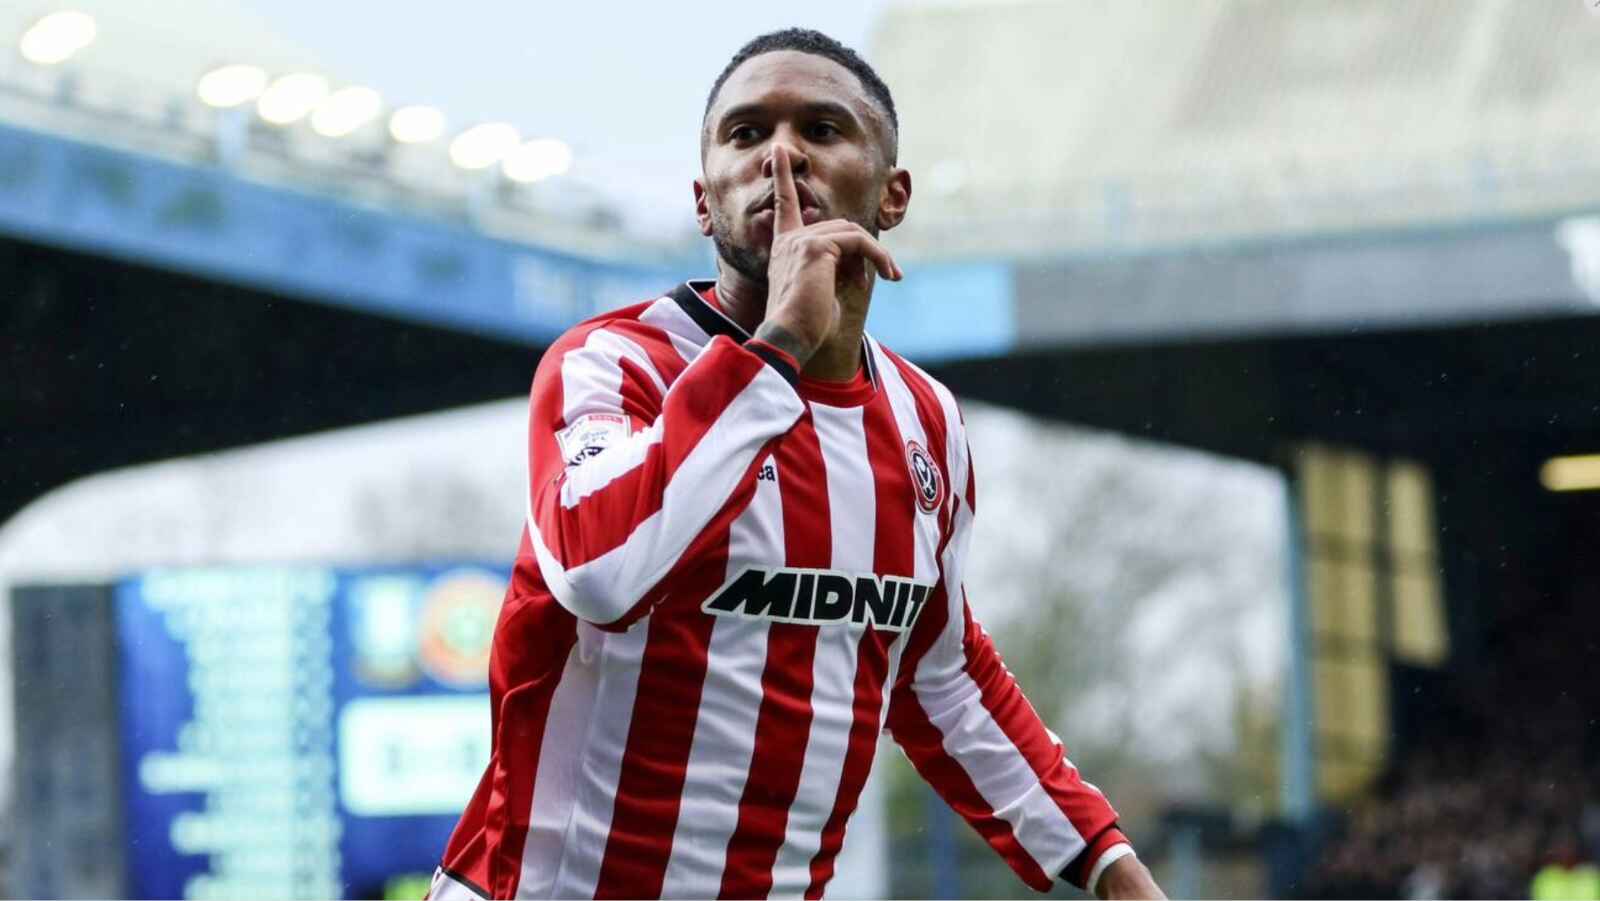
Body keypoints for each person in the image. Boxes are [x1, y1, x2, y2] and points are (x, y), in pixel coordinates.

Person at [431, 28, 1164, 901]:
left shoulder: (925, 422)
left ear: (892, 196)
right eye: (745, 134)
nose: (780, 154)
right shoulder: (612, 365)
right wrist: (778, 340)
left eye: (821, 129)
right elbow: (599, 570)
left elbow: (941, 678)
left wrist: (1108, 864)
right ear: (705, 200)